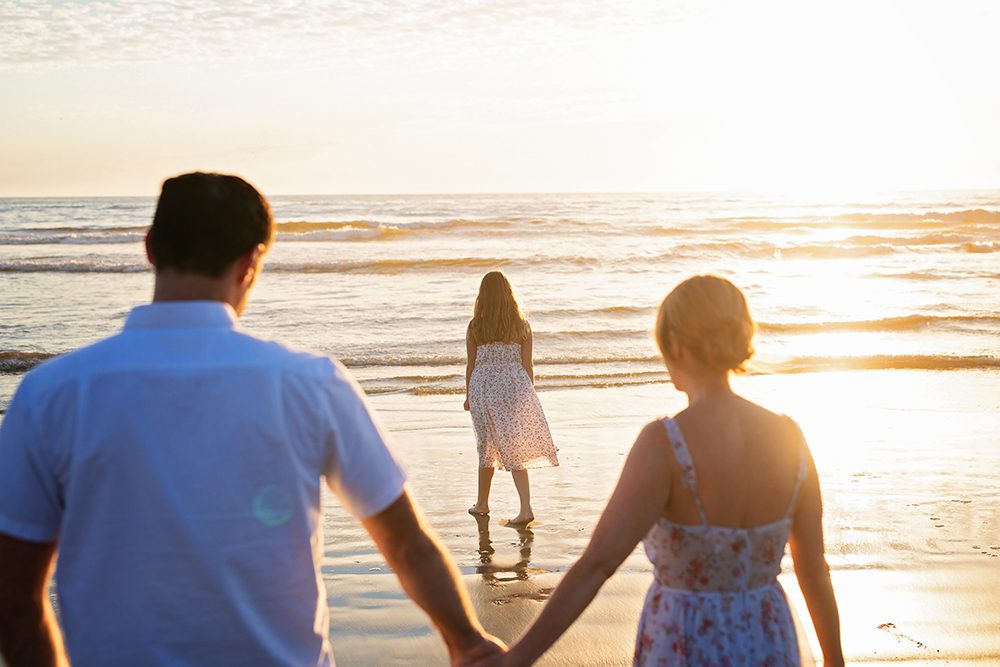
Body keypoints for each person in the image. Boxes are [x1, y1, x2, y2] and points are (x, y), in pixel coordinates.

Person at [0, 172, 504, 667]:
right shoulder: (311, 383)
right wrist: (467, 642)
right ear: (250, 263)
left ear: (150, 247)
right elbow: (403, 540)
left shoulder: (51, 393)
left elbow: (14, 596)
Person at [492, 275, 844, 666]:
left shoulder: (665, 443)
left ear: (675, 346)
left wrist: (518, 657)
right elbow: (813, 570)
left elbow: (598, 563)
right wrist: (835, 662)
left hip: (686, 641)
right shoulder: (790, 438)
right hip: (767, 638)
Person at [464, 271, 559, 525]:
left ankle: (482, 504)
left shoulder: (475, 326)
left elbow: (471, 366)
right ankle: (525, 507)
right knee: (515, 446)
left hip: (483, 387)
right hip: (513, 387)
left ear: (482, 296)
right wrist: (529, 394)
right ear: (509, 294)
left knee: (485, 446)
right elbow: (527, 366)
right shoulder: (521, 325)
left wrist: (467, 396)